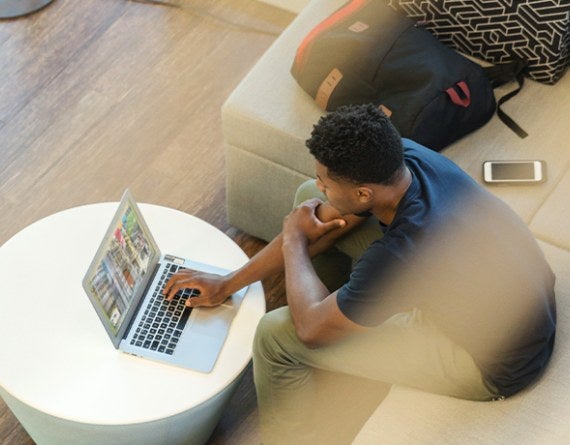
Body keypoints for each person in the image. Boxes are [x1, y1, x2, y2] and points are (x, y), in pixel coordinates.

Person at [164, 104, 556, 444]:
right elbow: (320, 215)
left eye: (326, 180)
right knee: (308, 201)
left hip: (488, 363)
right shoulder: (403, 158)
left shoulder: (405, 251)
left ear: (365, 194)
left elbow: (309, 330)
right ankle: (342, 312)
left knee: (274, 336)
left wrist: (293, 244)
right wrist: (228, 282)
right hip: (515, 298)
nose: (320, 182)